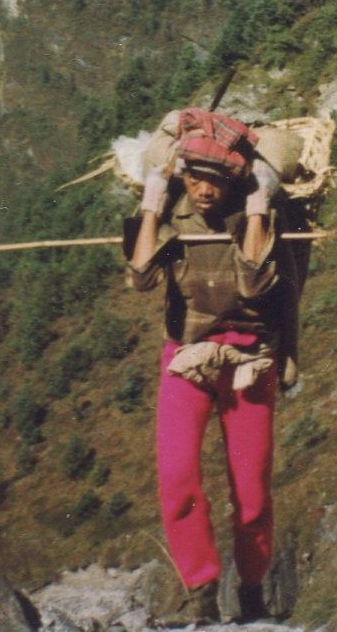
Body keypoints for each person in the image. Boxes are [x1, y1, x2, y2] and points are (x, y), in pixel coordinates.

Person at [125, 112, 294, 627]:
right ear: (181, 174)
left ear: (235, 180)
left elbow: (253, 284)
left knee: (251, 491)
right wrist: (152, 204)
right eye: (195, 177)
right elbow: (141, 277)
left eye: (215, 180)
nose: (203, 189)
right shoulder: (169, 207)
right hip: (187, 356)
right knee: (177, 478)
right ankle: (200, 589)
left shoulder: (253, 210)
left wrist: (261, 204)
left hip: (249, 360)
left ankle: (251, 590)